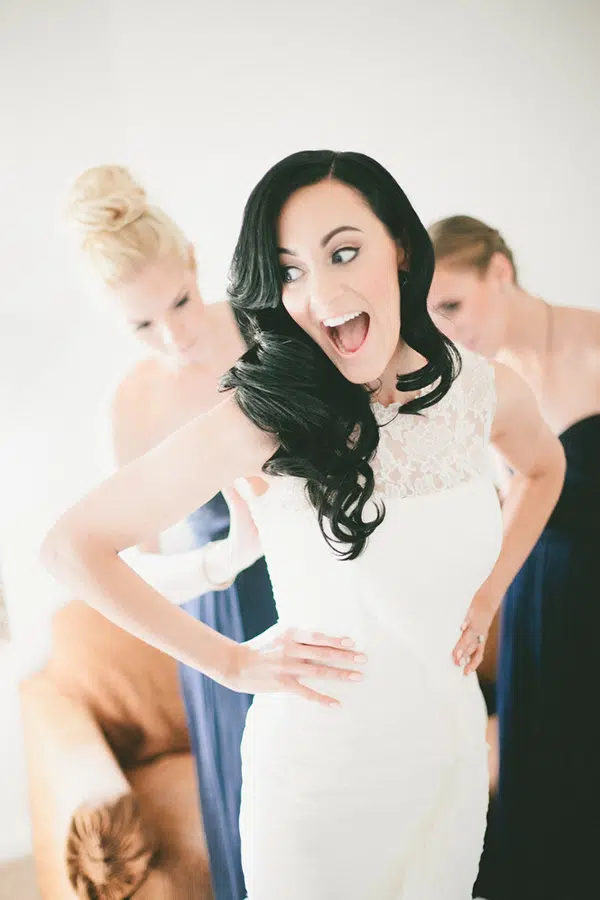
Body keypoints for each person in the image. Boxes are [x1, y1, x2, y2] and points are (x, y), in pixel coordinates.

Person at [43, 152, 565, 900]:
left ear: (401, 249)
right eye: (290, 271)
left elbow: (545, 470)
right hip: (320, 785)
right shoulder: (262, 417)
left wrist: (487, 596)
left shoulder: (485, 392)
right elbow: (71, 548)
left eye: (343, 252)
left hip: (443, 757)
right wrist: (230, 663)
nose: (321, 292)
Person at [65, 165, 278, 900]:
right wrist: (223, 560)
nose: (174, 335)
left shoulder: (273, 328)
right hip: (229, 618)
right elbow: (134, 566)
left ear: (193, 259)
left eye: (181, 302)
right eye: (142, 326)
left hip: (331, 575)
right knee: (264, 824)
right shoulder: (133, 406)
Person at [428, 214, 600, 900]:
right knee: (543, 787)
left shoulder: (595, 344)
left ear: (498, 271)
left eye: (452, 304)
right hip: (537, 606)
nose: (445, 330)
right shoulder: (488, 385)